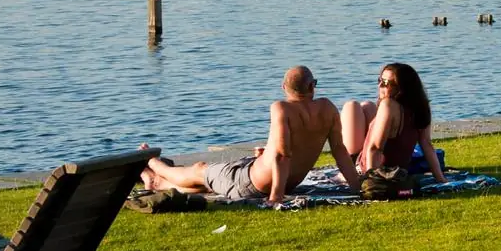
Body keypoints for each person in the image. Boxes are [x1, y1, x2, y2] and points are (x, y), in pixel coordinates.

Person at [140, 66, 360, 205]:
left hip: (251, 184)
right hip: (263, 179)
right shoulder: (328, 108)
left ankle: (153, 163)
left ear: (284, 87)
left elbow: (283, 155)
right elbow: (340, 151)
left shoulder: (281, 108)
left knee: (200, 170)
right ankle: (156, 180)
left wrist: (276, 196)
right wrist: (356, 188)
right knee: (205, 181)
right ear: (312, 86)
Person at [340, 62, 447, 183]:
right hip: (399, 168)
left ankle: (351, 161)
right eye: (379, 80)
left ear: (401, 87)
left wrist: (372, 180)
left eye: (386, 83)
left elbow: (375, 148)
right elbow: (426, 144)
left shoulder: (388, 105)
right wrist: (440, 178)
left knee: (352, 106)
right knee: (367, 106)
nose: (380, 85)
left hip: (367, 166)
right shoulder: (420, 106)